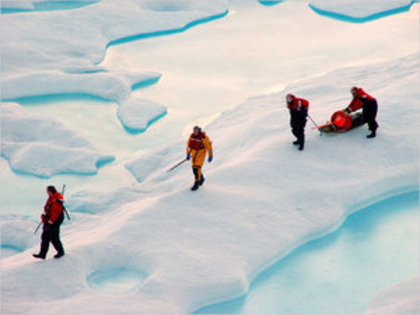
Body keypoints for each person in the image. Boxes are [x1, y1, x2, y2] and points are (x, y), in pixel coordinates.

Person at [33, 186, 65, 259]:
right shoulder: (52, 197)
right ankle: (42, 254)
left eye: (47, 191)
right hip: (50, 220)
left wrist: (51, 221)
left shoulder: (56, 199)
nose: (46, 192)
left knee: (54, 237)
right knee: (45, 236)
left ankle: (60, 252)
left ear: (50, 191)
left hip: (53, 221)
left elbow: (56, 212)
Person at [186, 126, 213, 191]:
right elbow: (189, 145)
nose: (195, 132)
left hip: (201, 154)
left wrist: (210, 156)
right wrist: (188, 153)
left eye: (196, 130)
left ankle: (196, 183)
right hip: (194, 154)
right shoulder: (191, 136)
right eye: (194, 130)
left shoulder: (204, 137)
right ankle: (201, 178)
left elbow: (209, 147)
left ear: (199, 131)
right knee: (194, 168)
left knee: (196, 168)